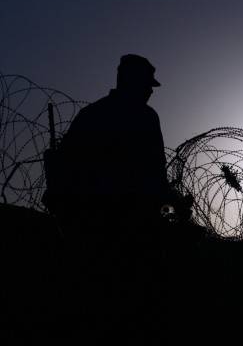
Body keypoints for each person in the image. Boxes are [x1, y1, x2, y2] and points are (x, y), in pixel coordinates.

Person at [46, 54, 175, 344]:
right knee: (136, 304)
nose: (150, 91)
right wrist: (169, 201)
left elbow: (64, 165)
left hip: (94, 224)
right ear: (132, 80)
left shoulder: (92, 115)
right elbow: (155, 172)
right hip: (127, 225)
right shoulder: (143, 117)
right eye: (147, 84)